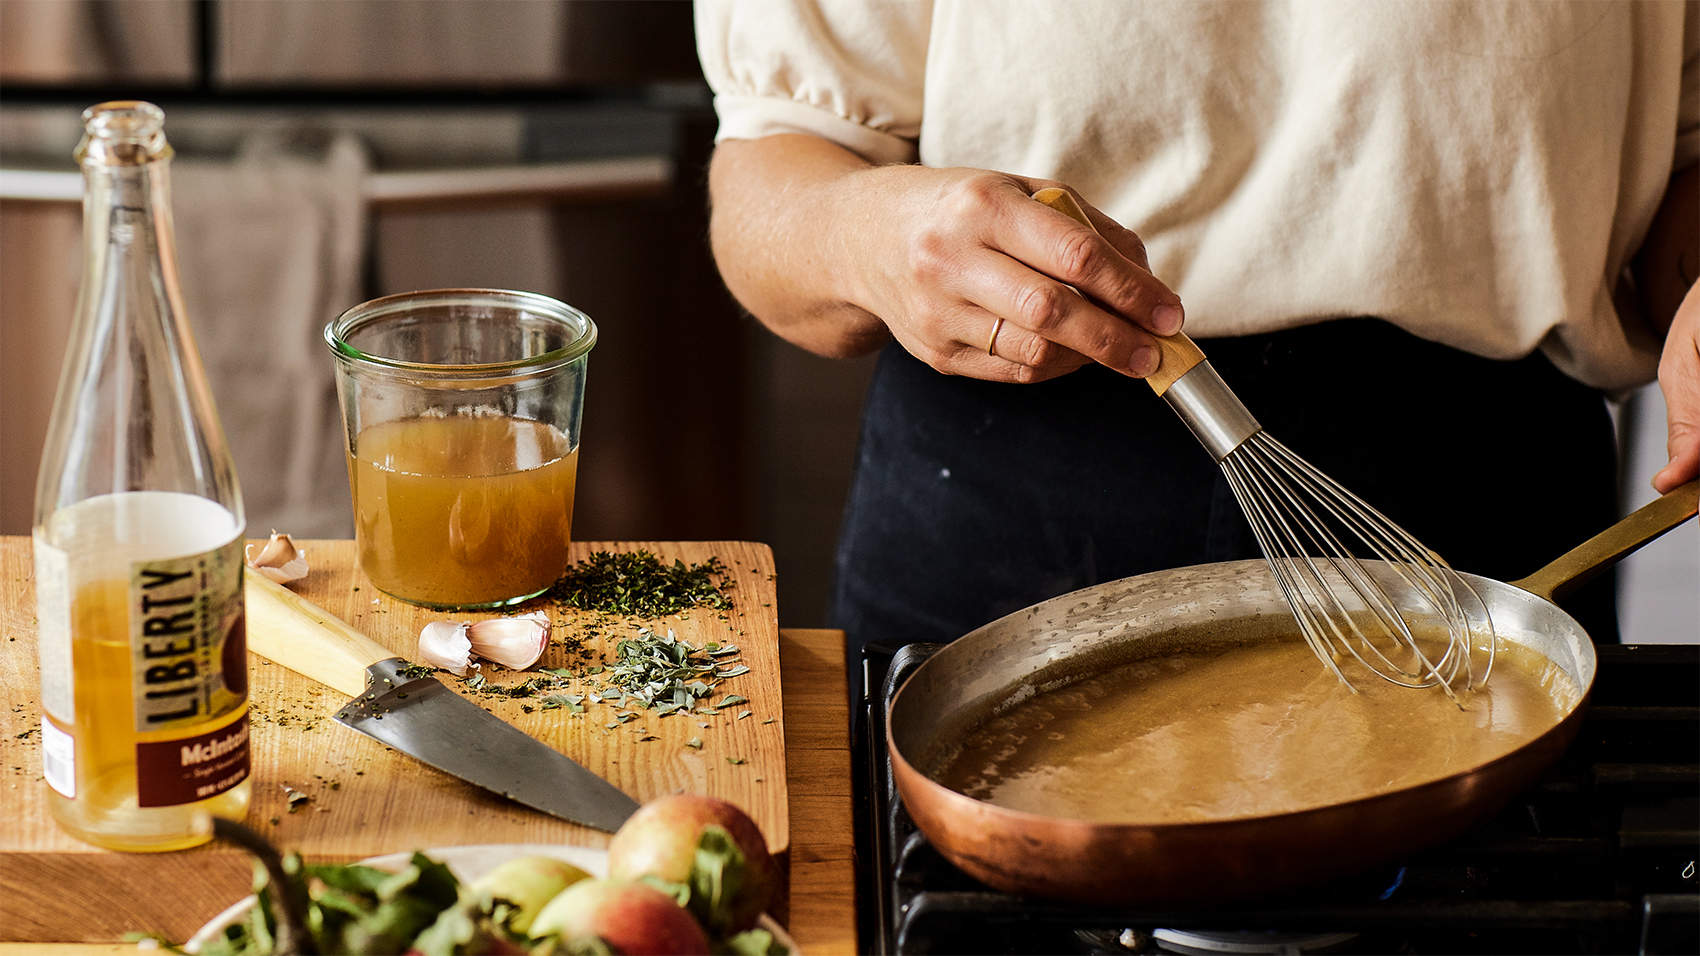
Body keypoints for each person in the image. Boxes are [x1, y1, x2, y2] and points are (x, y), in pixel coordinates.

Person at [693, 1, 1700, 673]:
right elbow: (770, 181)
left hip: (1482, 521)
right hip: (1010, 520)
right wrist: (874, 236)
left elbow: (1679, 163)